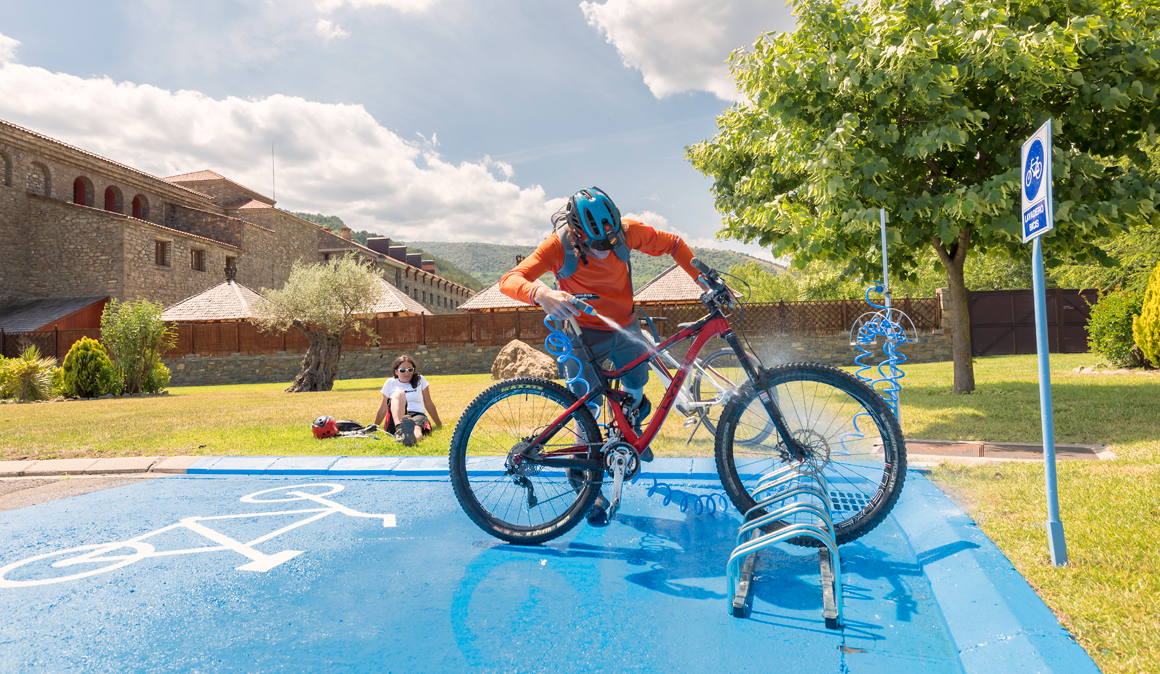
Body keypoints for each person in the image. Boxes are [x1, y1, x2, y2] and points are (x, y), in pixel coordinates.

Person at [497, 186, 704, 526]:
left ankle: (630, 433)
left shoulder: (628, 231)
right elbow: (510, 280)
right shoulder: (558, 245)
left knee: (637, 380)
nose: (606, 252)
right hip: (581, 334)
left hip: (624, 326)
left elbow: (675, 245)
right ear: (578, 233)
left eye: (611, 243)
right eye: (597, 246)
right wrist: (540, 292)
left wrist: (701, 280)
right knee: (588, 406)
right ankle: (583, 480)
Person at [374, 355, 442, 447]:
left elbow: (429, 403)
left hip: (417, 414)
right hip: (395, 417)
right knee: (399, 393)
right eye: (403, 370)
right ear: (396, 372)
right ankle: (399, 430)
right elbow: (383, 408)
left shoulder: (420, 380)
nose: (407, 373)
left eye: (410, 370)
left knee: (417, 429)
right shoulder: (390, 382)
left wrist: (439, 424)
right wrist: (375, 426)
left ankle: (410, 440)